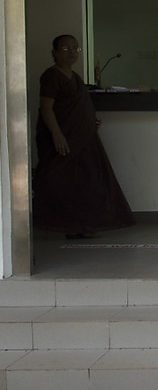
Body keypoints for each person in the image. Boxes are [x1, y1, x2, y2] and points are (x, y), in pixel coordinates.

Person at [32, 34, 135, 238]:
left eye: (75, 48)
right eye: (65, 48)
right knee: (59, 181)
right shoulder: (52, 76)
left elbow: (79, 107)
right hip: (63, 140)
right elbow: (46, 108)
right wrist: (57, 134)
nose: (71, 52)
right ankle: (60, 225)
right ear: (54, 52)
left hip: (83, 138)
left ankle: (81, 226)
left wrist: (89, 122)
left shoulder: (76, 77)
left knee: (85, 183)